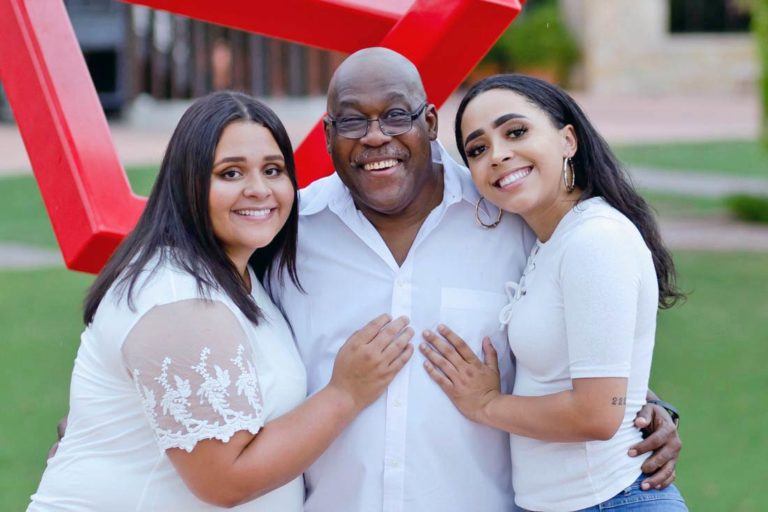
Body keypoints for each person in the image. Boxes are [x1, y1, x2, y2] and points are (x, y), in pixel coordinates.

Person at [272, 48, 683, 512]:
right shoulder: (288, 233)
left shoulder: (511, 216)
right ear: (327, 133)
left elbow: (592, 337)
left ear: (429, 122)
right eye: (351, 122)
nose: (374, 137)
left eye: (394, 115)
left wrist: (645, 408)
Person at [29, 91, 413, 511]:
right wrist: (346, 393)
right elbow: (225, 480)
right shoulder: (176, 299)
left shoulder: (238, 275)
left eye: (273, 169)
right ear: (187, 182)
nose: (258, 189)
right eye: (231, 174)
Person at [419, 74, 688, 511]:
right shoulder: (551, 242)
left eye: (516, 132)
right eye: (478, 149)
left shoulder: (594, 239)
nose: (499, 154)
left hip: (611, 500)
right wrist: (654, 404)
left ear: (567, 140)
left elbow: (597, 414)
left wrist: (486, 404)